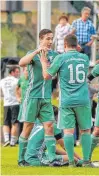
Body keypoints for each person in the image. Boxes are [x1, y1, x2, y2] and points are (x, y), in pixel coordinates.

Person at [41, 34, 93, 167]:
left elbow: (47, 76)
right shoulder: (84, 58)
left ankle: (71, 161)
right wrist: (78, 49)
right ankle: (86, 161)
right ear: (77, 45)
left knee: (68, 132)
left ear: (64, 45)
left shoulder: (60, 58)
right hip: (83, 99)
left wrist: (43, 62)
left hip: (66, 100)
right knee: (86, 130)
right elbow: (78, 55)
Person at [18, 29, 58, 166]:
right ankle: (21, 159)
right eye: (47, 38)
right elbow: (21, 63)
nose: (50, 41)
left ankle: (52, 159)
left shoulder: (54, 55)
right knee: (27, 127)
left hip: (46, 98)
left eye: (51, 38)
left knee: (49, 126)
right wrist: (37, 52)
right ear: (40, 39)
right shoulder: (32, 54)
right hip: (32, 97)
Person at [0, 66, 20, 147]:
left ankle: (6, 140)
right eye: (17, 72)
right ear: (12, 72)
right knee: (14, 123)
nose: (18, 73)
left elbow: (1, 92)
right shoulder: (17, 81)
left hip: (6, 104)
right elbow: (19, 91)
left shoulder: (2, 81)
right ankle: (12, 142)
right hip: (15, 103)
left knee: (5, 123)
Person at [15, 67, 29, 135]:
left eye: (29, 70)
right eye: (26, 70)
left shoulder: (33, 79)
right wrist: (18, 97)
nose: (28, 72)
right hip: (23, 103)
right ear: (23, 71)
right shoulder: (21, 79)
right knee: (23, 120)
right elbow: (16, 89)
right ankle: (22, 137)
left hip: (32, 102)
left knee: (30, 120)